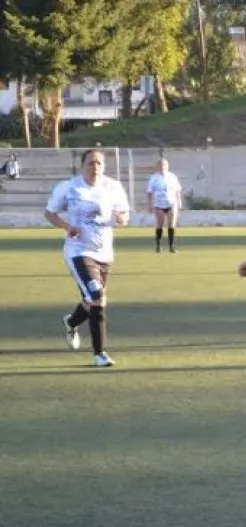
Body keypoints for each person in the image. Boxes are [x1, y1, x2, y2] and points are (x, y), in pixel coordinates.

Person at [45, 149, 130, 368]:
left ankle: (71, 322)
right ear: (82, 166)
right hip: (78, 251)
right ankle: (99, 353)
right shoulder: (69, 187)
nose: (95, 167)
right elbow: (50, 213)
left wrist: (120, 219)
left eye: (99, 163)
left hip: (104, 253)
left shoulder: (113, 188)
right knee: (98, 297)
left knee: (91, 300)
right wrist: (66, 226)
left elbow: (124, 216)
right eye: (91, 163)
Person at [146, 158, 183, 253]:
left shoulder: (172, 177)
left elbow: (177, 190)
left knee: (171, 225)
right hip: (159, 204)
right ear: (157, 167)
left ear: (167, 166)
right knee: (160, 225)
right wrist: (150, 204)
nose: (162, 167)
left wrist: (179, 201)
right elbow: (150, 192)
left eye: (164, 165)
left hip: (171, 203)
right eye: (160, 165)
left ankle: (171, 247)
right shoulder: (154, 178)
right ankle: (158, 246)